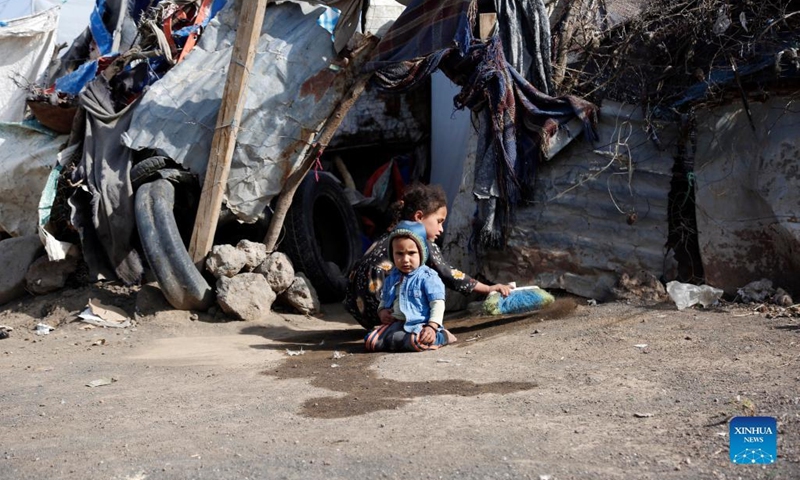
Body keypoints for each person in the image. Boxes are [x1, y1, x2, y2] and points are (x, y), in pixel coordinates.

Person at [345, 183, 513, 329]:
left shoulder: (391, 237)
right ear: (419, 217)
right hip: (386, 312)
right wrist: (488, 289)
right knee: (428, 277)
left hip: (362, 312)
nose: (441, 229)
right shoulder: (419, 242)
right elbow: (450, 275)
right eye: (439, 221)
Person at [364, 221, 450, 352]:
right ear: (392, 254)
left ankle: (441, 336)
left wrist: (432, 327)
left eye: (411, 253)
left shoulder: (428, 276)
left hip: (420, 325)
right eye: (399, 253)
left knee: (417, 341)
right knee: (371, 341)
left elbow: (437, 303)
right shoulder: (391, 277)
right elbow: (384, 299)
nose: (405, 259)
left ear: (422, 253)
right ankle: (397, 340)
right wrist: (382, 312)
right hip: (396, 324)